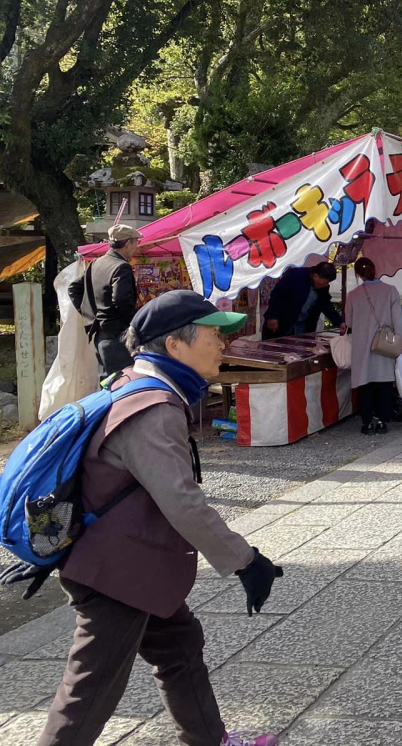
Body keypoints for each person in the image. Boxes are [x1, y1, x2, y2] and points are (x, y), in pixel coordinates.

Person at [34, 289, 284, 746]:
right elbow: (182, 501)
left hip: (132, 564)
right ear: (175, 345)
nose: (223, 343)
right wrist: (245, 560)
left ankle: (211, 740)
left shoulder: (131, 385)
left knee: (180, 647)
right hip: (116, 574)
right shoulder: (152, 408)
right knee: (89, 689)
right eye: (213, 334)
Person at [70, 224, 141, 376]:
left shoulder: (97, 263)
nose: (136, 247)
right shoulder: (121, 267)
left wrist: (90, 313)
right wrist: (136, 323)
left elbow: (74, 288)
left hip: (99, 335)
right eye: (136, 242)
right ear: (128, 243)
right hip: (118, 335)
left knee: (109, 383)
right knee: (124, 384)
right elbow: (122, 300)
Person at [347, 257, 402, 436]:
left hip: (362, 345)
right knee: (385, 384)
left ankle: (367, 423)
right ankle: (382, 421)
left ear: (358, 274)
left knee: (365, 384)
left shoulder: (353, 295)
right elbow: (398, 320)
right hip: (385, 344)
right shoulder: (390, 291)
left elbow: (349, 321)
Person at [262, 262, 344, 339]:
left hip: (302, 328)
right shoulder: (295, 275)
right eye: (325, 282)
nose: (326, 285)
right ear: (315, 276)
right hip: (280, 324)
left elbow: (327, 306)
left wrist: (340, 322)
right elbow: (277, 294)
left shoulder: (323, 288)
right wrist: (272, 316)